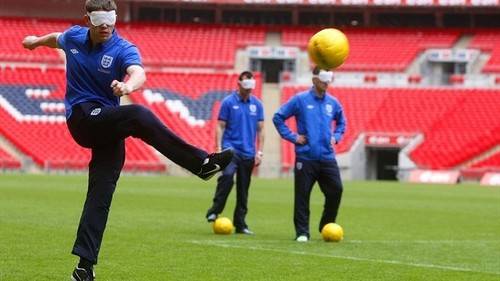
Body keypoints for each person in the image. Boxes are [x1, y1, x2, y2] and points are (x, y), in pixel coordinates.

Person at [22, 1, 232, 280]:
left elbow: (137, 72)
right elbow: (56, 40)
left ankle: (84, 267)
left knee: (100, 197)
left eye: (111, 19)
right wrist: (35, 42)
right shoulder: (74, 36)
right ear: (88, 20)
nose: (106, 25)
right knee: (137, 115)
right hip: (83, 119)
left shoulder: (122, 48)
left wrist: (128, 86)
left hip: (107, 124)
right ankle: (201, 164)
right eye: (100, 20)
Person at [273, 66, 346, 242]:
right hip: (306, 157)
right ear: (314, 80)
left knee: (336, 190)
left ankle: (327, 226)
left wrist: (336, 137)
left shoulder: (333, 103)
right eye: (323, 80)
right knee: (302, 196)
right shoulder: (300, 100)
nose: (327, 84)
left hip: (327, 157)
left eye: (329, 80)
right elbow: (278, 117)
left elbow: (342, 122)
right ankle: (302, 232)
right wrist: (293, 137)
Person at [205, 71, 264, 235]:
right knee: (227, 177)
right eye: (246, 86)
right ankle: (215, 210)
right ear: (238, 84)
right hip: (230, 149)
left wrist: (259, 152)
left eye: (251, 86)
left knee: (244, 189)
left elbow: (261, 129)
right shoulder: (228, 102)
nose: (249, 90)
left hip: (249, 152)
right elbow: (220, 125)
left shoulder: (257, 105)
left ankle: (241, 223)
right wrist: (218, 147)